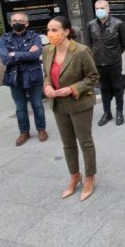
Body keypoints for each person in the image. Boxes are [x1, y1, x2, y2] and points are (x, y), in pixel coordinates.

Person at [42, 16, 99, 201]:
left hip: (79, 103)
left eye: (54, 30)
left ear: (66, 31)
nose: (50, 34)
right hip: (58, 105)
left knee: (85, 142)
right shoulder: (47, 51)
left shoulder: (81, 51)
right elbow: (47, 76)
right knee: (67, 143)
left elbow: (92, 77)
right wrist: (47, 87)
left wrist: (73, 88)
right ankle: (75, 175)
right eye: (48, 30)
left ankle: (89, 176)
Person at [0, 12, 47, 146]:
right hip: (14, 77)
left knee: (37, 104)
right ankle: (24, 131)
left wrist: (14, 54)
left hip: (33, 76)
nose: (17, 23)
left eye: (20, 20)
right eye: (14, 20)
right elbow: (4, 59)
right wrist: (27, 54)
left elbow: (36, 54)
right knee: (20, 107)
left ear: (26, 23)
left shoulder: (35, 36)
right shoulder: (4, 38)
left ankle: (41, 129)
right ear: (10, 23)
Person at [88, 0, 125, 126]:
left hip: (114, 62)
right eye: (97, 8)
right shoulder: (91, 25)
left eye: (102, 7)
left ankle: (119, 112)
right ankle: (107, 113)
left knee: (117, 87)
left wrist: (115, 53)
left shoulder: (118, 24)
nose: (100, 10)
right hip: (99, 63)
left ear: (108, 9)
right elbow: (90, 43)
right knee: (104, 88)